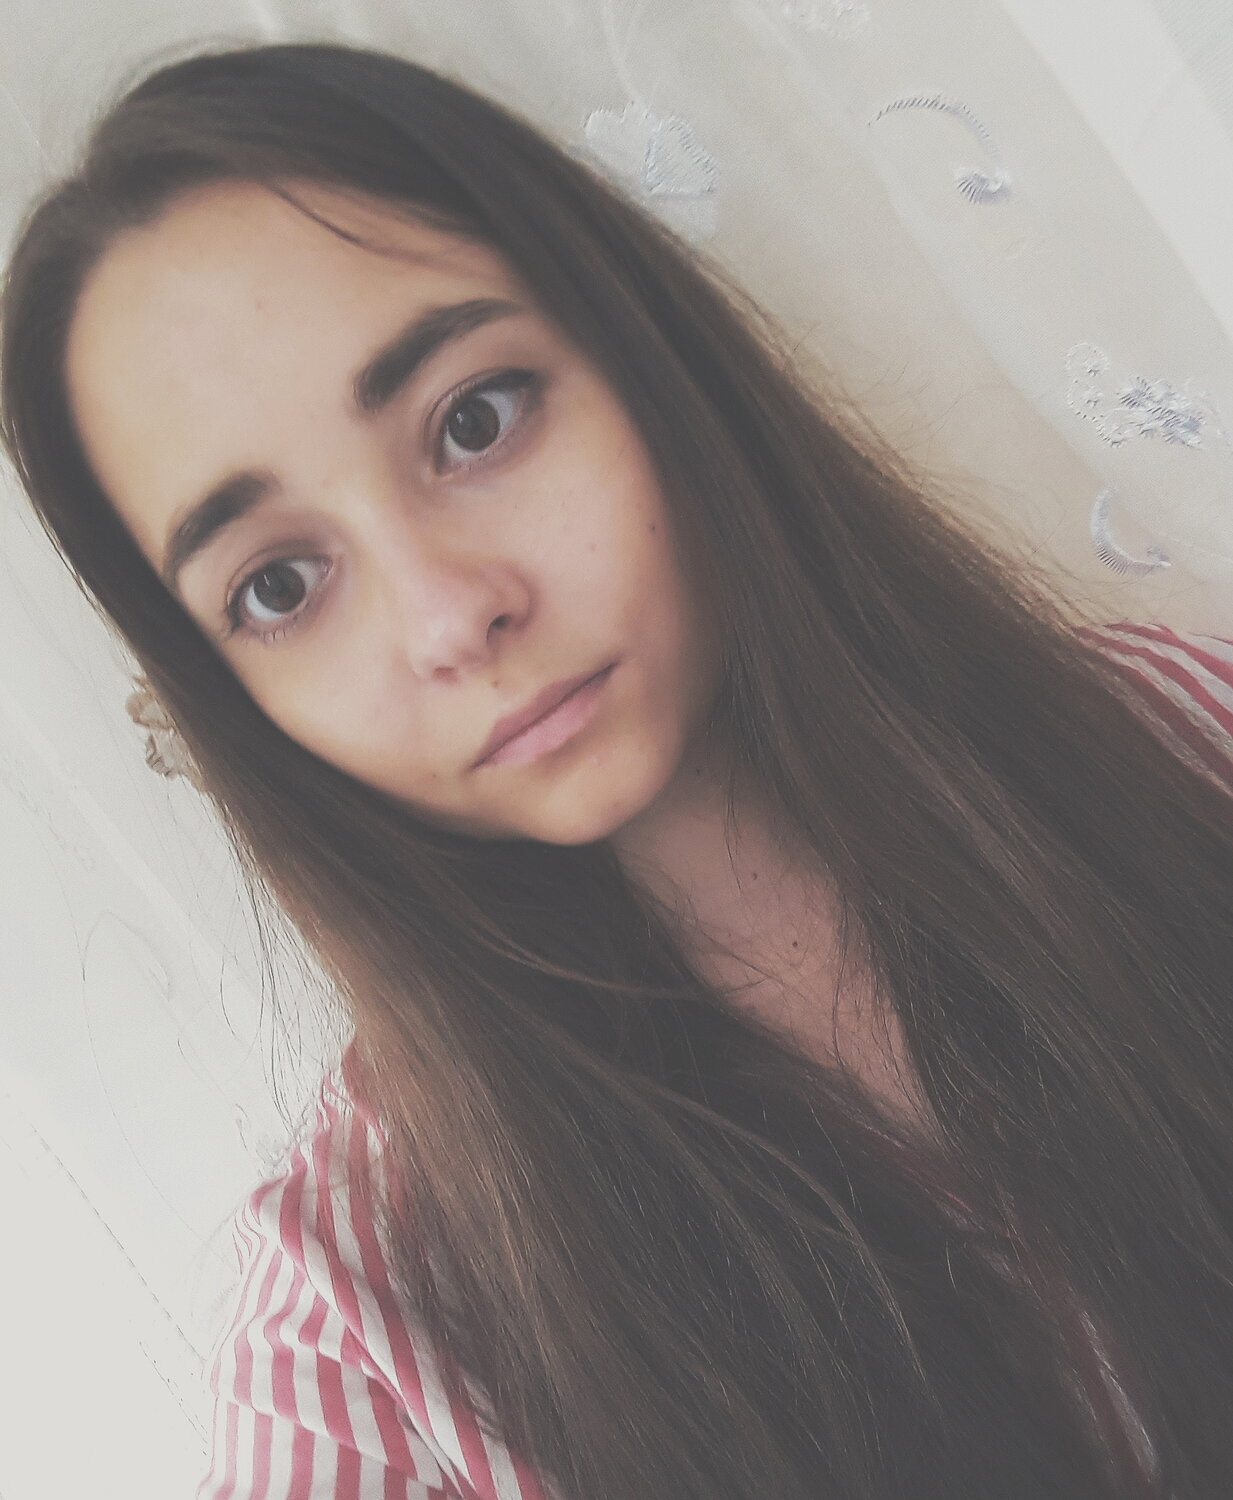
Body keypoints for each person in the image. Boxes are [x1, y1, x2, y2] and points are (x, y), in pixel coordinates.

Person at [4, 40, 1233, 1500]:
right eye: (278, 585)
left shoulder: (1179, 730)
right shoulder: (366, 1329)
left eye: (474, 420)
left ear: (645, 354)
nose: (448, 617)